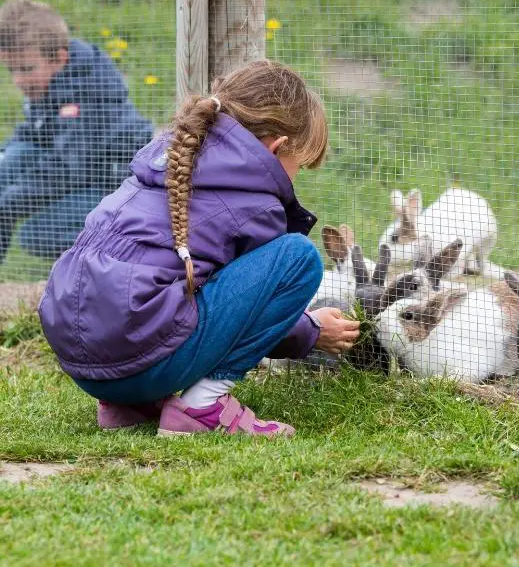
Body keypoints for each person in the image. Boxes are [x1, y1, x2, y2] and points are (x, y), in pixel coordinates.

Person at [38, 59, 361, 437]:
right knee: (298, 259)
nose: (295, 177)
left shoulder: (167, 162)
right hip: (137, 360)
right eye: (299, 166)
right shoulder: (254, 203)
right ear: (278, 148)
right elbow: (250, 311)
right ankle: (203, 406)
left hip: (84, 364)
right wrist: (309, 330)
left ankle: (128, 405)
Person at [0, 0, 153, 262]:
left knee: (35, 234)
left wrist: (9, 203)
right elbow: (33, 136)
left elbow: (67, 166)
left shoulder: (86, 88)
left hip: (114, 190)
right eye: (12, 70)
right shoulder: (50, 82)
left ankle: (108, 265)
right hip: (77, 176)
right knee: (11, 158)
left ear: (59, 58)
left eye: (26, 69)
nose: (19, 80)